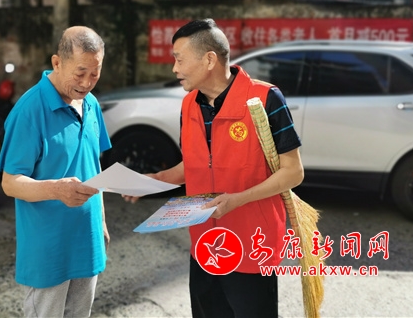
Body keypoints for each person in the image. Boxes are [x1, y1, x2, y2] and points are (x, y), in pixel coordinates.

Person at [125, 19, 304, 318]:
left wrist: (237, 200)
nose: (174, 69)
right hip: (205, 244)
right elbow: (194, 165)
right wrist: (154, 180)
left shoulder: (265, 98)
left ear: (209, 59)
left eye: (180, 59)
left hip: (252, 244)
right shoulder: (189, 104)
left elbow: (293, 172)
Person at [0, 26, 111, 318]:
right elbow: (10, 183)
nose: (86, 83)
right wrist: (56, 190)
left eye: (95, 74)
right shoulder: (29, 110)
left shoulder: (91, 104)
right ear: (57, 63)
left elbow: (93, 164)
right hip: (48, 248)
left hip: (87, 240)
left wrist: (100, 220)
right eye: (80, 73)